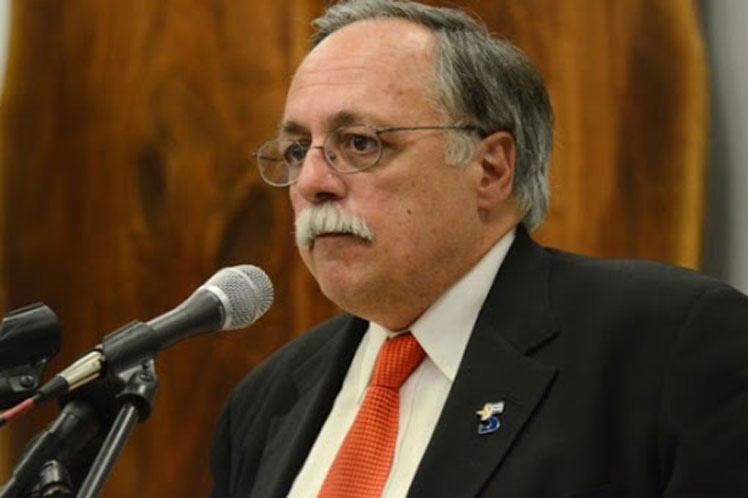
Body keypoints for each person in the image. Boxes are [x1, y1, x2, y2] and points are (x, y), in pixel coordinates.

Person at [209, 1, 748, 497]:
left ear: (490, 170)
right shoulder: (266, 401)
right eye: (297, 150)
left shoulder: (664, 347)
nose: (311, 183)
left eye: (360, 143)